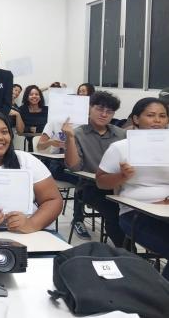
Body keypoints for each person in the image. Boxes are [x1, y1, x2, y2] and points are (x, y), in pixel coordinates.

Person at [97, 97, 169, 279]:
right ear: (136, 119)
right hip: (136, 213)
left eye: (162, 116)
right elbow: (101, 182)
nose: (157, 121)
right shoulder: (120, 147)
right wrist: (122, 176)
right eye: (151, 115)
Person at [63, 91, 126, 247]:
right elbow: (74, 166)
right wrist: (69, 138)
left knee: (137, 214)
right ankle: (127, 251)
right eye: (99, 109)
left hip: (122, 186)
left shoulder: (121, 134)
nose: (104, 114)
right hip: (92, 186)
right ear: (90, 108)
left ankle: (135, 249)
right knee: (113, 212)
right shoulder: (77, 133)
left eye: (109, 111)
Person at [37, 118, 90, 239]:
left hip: (80, 164)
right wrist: (51, 142)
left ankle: (89, 200)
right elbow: (40, 145)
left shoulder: (85, 124)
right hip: (57, 163)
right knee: (82, 180)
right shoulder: (53, 122)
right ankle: (78, 219)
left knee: (86, 179)